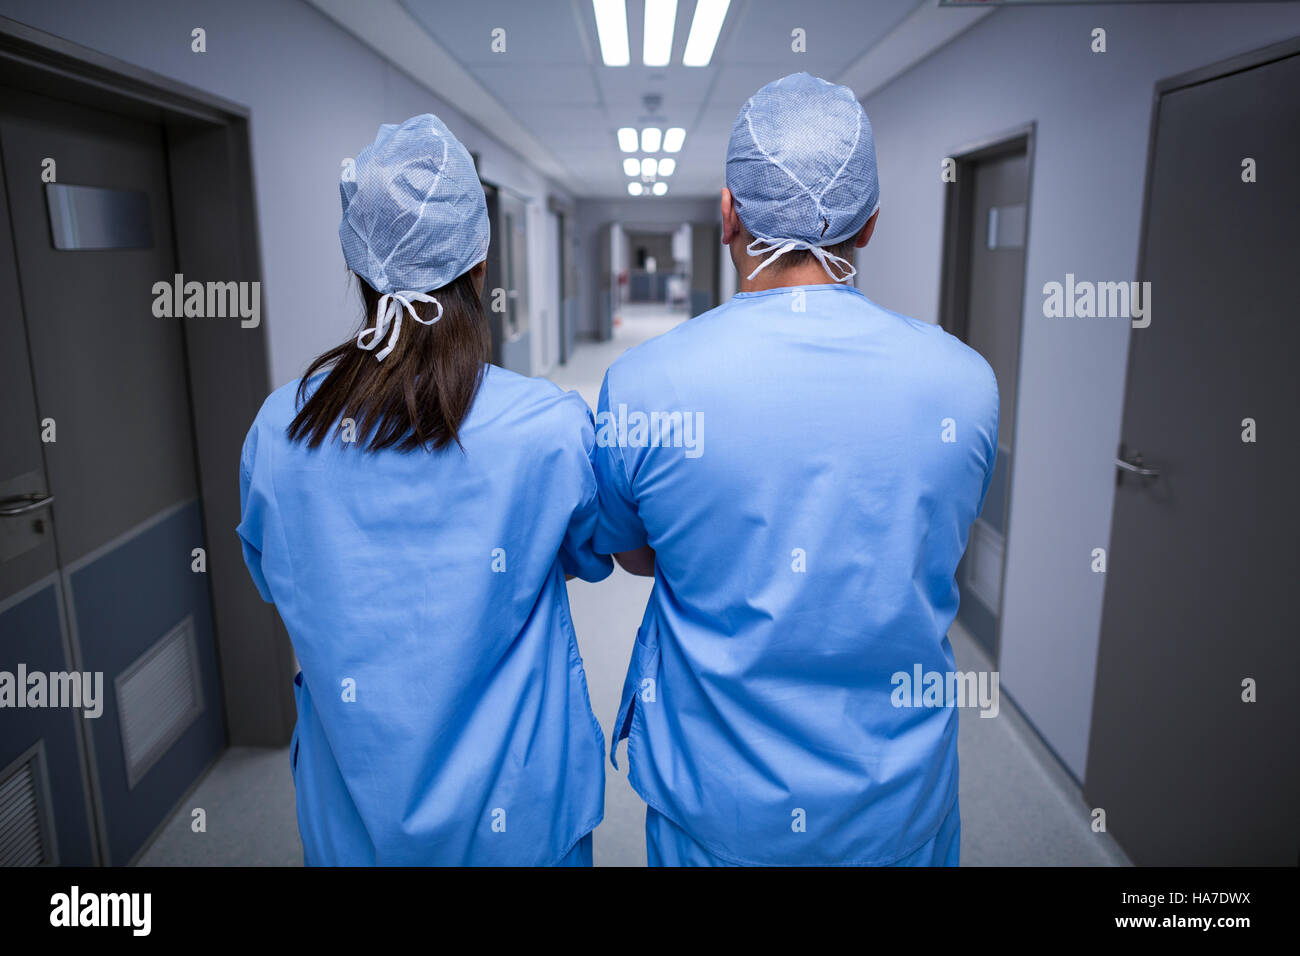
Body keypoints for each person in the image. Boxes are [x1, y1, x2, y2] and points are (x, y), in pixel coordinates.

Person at [593, 73, 999, 866]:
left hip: (718, 812)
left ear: (727, 214)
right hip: (898, 810)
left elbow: (634, 552)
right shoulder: (965, 383)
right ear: (871, 224)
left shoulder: (646, 385)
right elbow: (930, 542)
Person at [237, 114, 611, 866]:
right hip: (522, 819)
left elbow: (278, 581)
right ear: (480, 258)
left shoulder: (281, 430)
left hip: (355, 822)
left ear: (361, 265)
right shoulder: (548, 426)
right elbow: (591, 554)